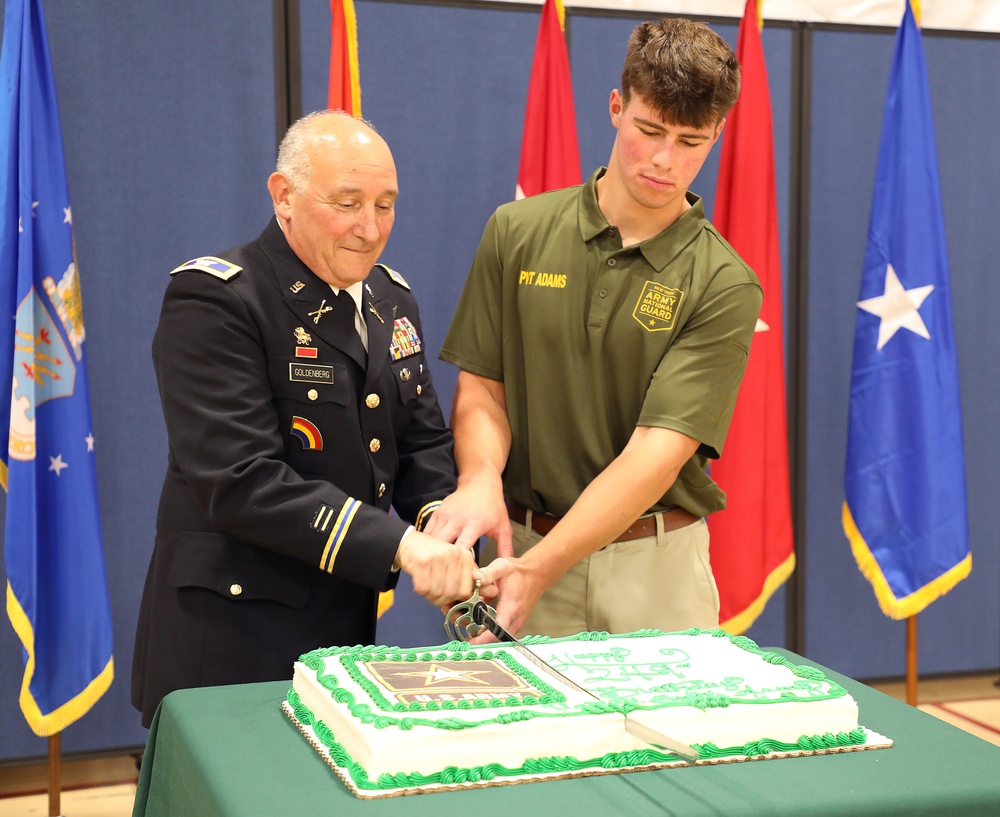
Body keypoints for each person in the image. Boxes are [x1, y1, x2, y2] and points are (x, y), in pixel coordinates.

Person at [132, 111, 481, 726]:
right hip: (231, 637)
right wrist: (404, 546)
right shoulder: (217, 299)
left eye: (385, 205)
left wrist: (453, 548)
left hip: (340, 629)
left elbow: (421, 447)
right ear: (283, 197)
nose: (370, 230)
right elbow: (240, 481)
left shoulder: (390, 299)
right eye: (348, 203)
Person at [427, 18, 763, 639]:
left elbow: (653, 459)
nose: (664, 160)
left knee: (669, 739)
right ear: (616, 107)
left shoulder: (725, 282)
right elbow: (483, 390)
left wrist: (543, 568)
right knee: (523, 737)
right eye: (649, 130)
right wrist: (479, 479)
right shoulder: (516, 230)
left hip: (653, 570)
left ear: (717, 134)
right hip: (520, 545)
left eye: (691, 142)